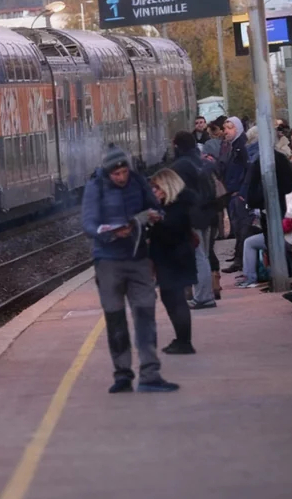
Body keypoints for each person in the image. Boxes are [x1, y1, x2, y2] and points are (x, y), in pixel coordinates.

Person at [81, 144, 179, 394]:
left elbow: (157, 207)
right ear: (107, 173)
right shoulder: (96, 187)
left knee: (145, 316)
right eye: (116, 174)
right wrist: (110, 232)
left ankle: (150, 374)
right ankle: (122, 374)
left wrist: (153, 215)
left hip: (138, 258)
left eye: (124, 172)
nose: (121, 177)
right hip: (108, 261)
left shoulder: (137, 182)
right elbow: (89, 224)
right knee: (116, 320)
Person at [148, 168, 199, 354]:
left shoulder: (176, 206)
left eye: (156, 188)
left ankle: (185, 342)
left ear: (167, 187)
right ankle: (181, 339)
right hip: (170, 259)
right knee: (171, 299)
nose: (153, 191)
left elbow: (174, 232)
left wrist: (158, 221)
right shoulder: (171, 206)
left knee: (176, 300)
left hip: (175, 260)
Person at [237, 144, 292, 288]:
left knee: (266, 243)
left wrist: (255, 202)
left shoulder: (259, 164)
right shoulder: (284, 164)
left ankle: (264, 278)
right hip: (288, 216)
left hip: (271, 215)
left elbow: (252, 194)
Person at [170, 131, 221, 306]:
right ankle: (205, 295)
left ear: (177, 146)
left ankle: (203, 297)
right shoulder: (203, 161)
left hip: (192, 216)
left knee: (198, 257)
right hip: (208, 214)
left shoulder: (180, 166)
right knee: (204, 256)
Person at [220, 116, 249, 263]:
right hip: (233, 191)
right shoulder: (230, 146)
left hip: (238, 193)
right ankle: (238, 256)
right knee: (236, 226)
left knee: (241, 226)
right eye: (225, 128)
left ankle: (240, 258)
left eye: (230, 128)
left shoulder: (241, 147)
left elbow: (246, 169)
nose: (226, 131)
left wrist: (241, 192)